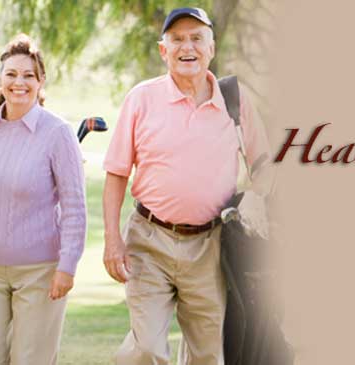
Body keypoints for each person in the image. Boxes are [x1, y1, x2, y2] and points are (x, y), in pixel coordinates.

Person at [102, 7, 268, 365]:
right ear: (164, 50)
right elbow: (116, 173)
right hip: (148, 240)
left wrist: (258, 200)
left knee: (208, 355)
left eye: (196, 38)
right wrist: (112, 239)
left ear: (211, 48)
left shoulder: (235, 101)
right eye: (177, 39)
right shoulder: (141, 99)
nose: (186, 47)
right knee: (146, 349)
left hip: (210, 245)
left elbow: (264, 165)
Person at [0, 34, 86, 364]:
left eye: (28, 75)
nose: (20, 82)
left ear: (41, 81)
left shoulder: (57, 133)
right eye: (12, 74)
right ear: (0, 80)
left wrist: (67, 266)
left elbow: (75, 207)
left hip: (40, 272)